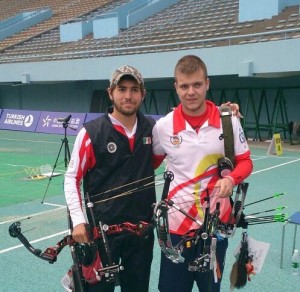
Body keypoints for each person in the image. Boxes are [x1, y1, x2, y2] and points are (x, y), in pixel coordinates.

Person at [152, 55, 253, 292]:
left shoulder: (227, 121)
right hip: (176, 229)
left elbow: (245, 162)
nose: (191, 92)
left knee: (210, 289)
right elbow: (148, 164)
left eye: (197, 84)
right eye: (184, 86)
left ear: (207, 83)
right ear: (176, 87)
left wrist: (231, 178)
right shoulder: (163, 127)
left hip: (215, 226)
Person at [64, 65, 156, 292]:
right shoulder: (91, 133)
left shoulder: (153, 129)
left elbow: (186, 126)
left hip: (141, 234)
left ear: (142, 94)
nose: (128, 95)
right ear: (110, 92)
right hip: (102, 236)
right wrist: (78, 220)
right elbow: (72, 178)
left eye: (134, 90)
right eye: (122, 89)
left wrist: (223, 114)